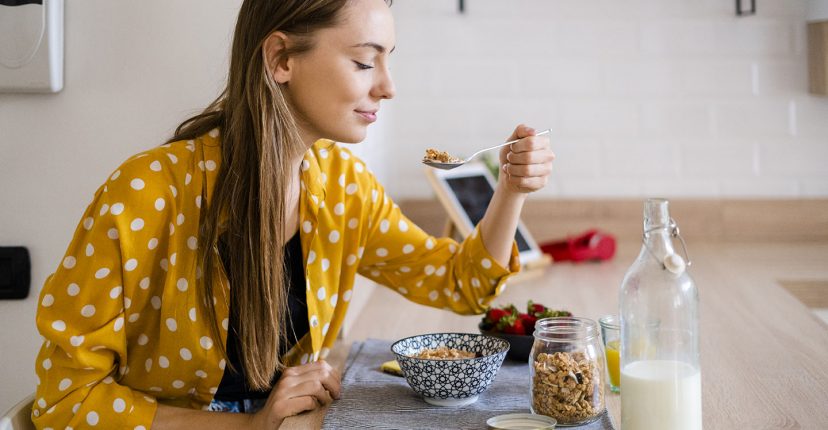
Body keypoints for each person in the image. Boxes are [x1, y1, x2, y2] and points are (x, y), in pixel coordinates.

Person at [31, 0, 555, 428]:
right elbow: (65, 401)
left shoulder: (344, 188)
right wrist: (248, 426)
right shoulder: (146, 193)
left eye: (388, 59)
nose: (387, 86)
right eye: (364, 61)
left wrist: (510, 190)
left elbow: (458, 284)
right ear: (281, 58)